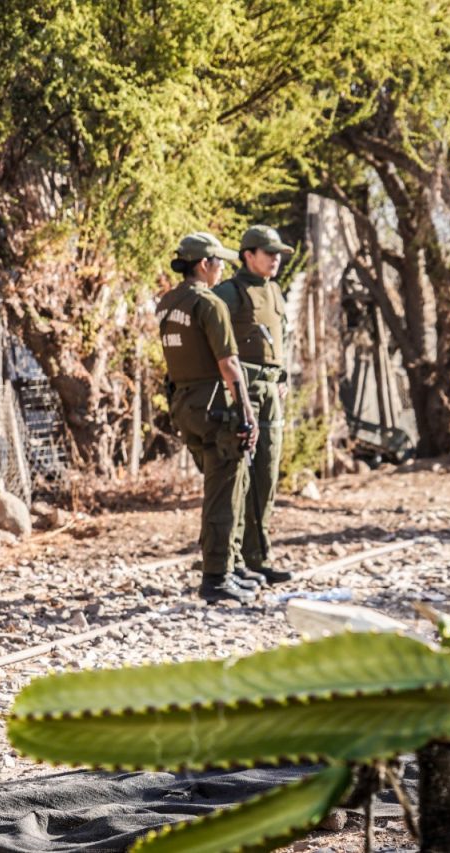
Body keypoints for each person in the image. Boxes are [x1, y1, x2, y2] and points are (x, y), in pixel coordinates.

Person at [157, 232, 260, 604]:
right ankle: (216, 577)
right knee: (224, 491)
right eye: (219, 263)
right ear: (204, 264)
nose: (222, 271)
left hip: (186, 404)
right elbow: (229, 363)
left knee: (225, 485)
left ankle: (229, 565)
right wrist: (248, 413)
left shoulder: (168, 302)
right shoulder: (209, 303)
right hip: (215, 406)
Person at [214, 225, 295, 585]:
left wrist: (283, 376)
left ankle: (258, 557)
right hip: (242, 391)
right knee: (239, 476)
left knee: (267, 473)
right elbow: (208, 331)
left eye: (279, 254)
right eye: (269, 253)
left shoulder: (275, 290)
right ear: (248, 255)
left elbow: (281, 340)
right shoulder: (229, 292)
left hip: (271, 391)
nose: (276, 259)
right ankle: (229, 560)